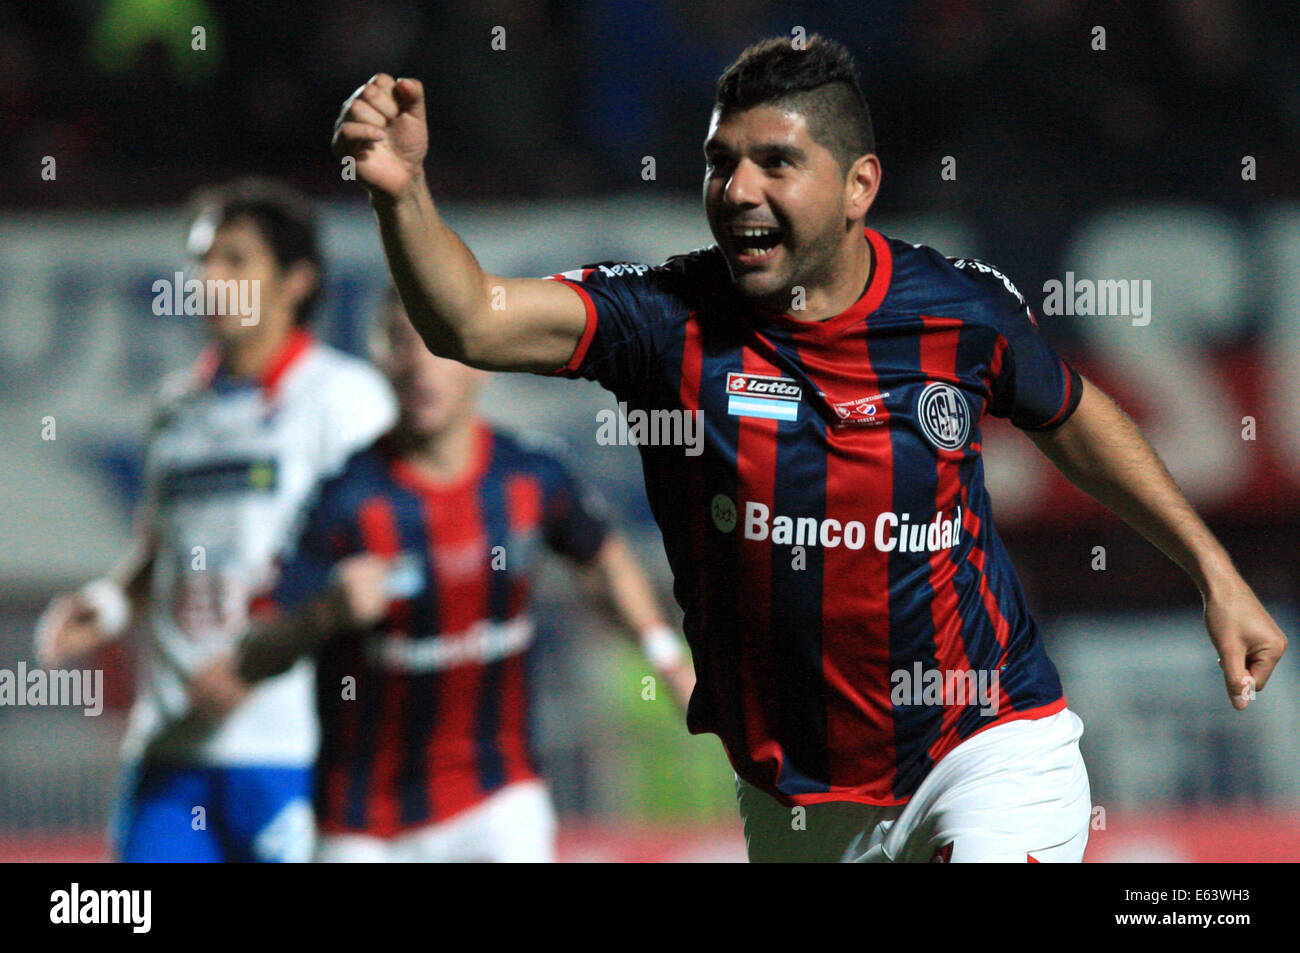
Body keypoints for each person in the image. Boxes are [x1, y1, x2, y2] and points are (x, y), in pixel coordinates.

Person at [328, 35, 1288, 862]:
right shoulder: (665, 321)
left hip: (986, 746)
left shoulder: (957, 313)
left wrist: (1214, 572)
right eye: (721, 162)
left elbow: (1072, 415)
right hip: (799, 800)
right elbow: (471, 320)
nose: (738, 189)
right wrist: (402, 195)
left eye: (775, 163)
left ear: (858, 184)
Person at [191, 292, 693, 862]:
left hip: (497, 799)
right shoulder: (343, 501)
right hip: (364, 823)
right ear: (380, 360)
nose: (419, 364)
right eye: (401, 343)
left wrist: (667, 660)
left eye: (436, 342)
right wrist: (325, 613)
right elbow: (254, 648)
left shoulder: (532, 475)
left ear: (481, 356)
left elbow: (601, 560)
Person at [35, 178, 397, 862]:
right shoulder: (174, 408)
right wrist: (107, 602)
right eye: (202, 260)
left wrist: (258, 662)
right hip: (173, 747)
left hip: (299, 744)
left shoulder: (345, 400)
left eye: (235, 260)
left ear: (295, 280)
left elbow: (382, 568)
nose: (209, 280)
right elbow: (160, 548)